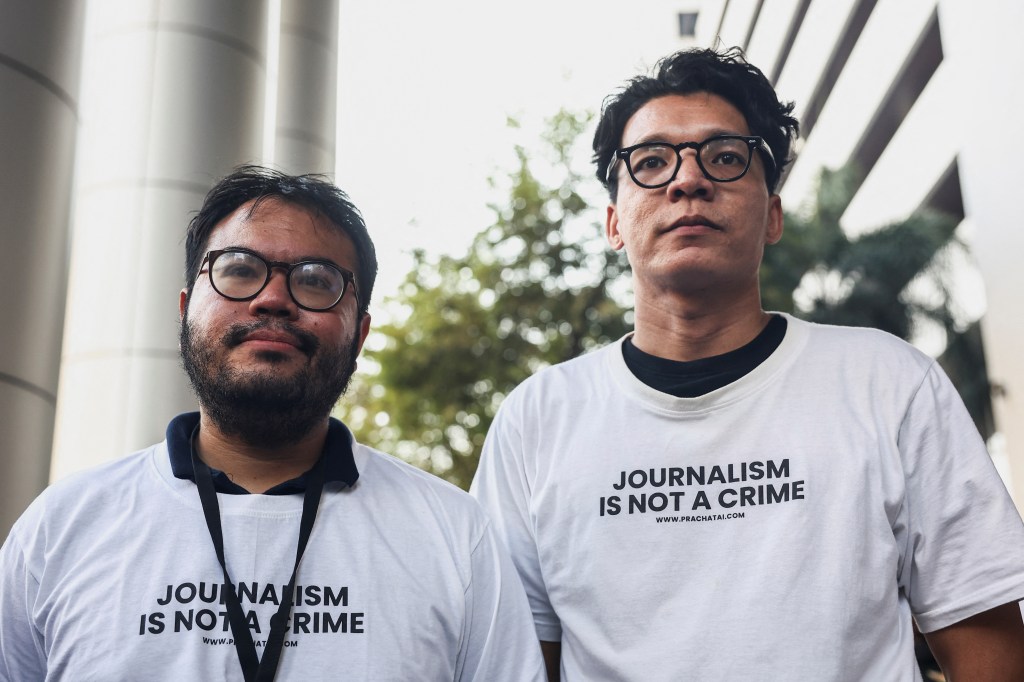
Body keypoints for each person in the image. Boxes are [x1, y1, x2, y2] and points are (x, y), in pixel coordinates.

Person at [470, 47, 1024, 681]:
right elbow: (516, 659)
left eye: (726, 157)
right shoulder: (536, 420)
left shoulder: (889, 382)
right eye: (651, 162)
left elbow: (987, 642)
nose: (687, 180)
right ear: (615, 222)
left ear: (773, 216)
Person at [0, 165, 546, 681]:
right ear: (187, 308)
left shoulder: (455, 535)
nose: (273, 299)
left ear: (359, 335)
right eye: (239, 269)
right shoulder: (60, 529)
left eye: (315, 280)